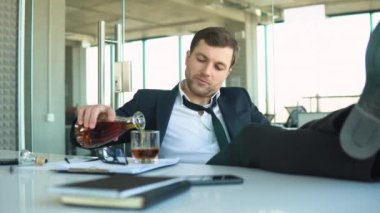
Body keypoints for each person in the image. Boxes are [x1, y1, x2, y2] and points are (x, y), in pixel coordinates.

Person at [71, 24, 380, 181]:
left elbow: (286, 143)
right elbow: (98, 138)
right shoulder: (150, 100)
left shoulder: (238, 98)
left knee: (302, 134)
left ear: (228, 72)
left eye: (218, 66)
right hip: (180, 185)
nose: (207, 72)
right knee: (251, 139)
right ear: (187, 58)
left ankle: (355, 118)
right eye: (201, 60)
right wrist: (97, 119)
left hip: (239, 183)